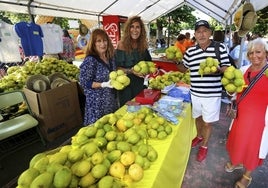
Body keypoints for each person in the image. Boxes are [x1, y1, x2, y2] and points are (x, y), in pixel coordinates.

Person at [177, 20, 231, 162]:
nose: (202, 34)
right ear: (195, 34)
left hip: (212, 95)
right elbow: (183, 68)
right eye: (198, 31)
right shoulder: (191, 51)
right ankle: (199, 136)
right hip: (195, 93)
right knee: (198, 118)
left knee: (207, 122)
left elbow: (227, 67)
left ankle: (204, 146)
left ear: (210, 33)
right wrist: (175, 60)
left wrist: (217, 70)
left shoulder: (220, 48)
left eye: (205, 31)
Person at [225, 38, 268, 188]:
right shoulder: (244, 70)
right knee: (238, 141)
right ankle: (237, 162)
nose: (254, 56)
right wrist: (230, 91)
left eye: (258, 52)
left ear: (266, 53)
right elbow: (235, 92)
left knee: (253, 148)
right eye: (250, 52)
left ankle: (246, 176)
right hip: (240, 116)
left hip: (259, 121)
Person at [79, 29, 118, 125]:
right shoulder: (90, 60)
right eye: (99, 41)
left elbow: (113, 73)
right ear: (93, 43)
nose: (103, 44)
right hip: (97, 105)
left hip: (110, 101)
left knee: (111, 131)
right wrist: (103, 84)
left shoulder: (110, 57)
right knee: (98, 132)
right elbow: (84, 82)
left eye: (105, 40)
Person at [115, 16, 152, 107]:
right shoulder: (121, 44)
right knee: (127, 113)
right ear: (128, 29)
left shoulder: (143, 44)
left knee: (139, 112)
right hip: (125, 86)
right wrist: (131, 71)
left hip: (140, 84)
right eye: (132, 27)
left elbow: (149, 63)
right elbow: (117, 68)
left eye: (137, 27)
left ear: (141, 30)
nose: (135, 30)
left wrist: (148, 70)